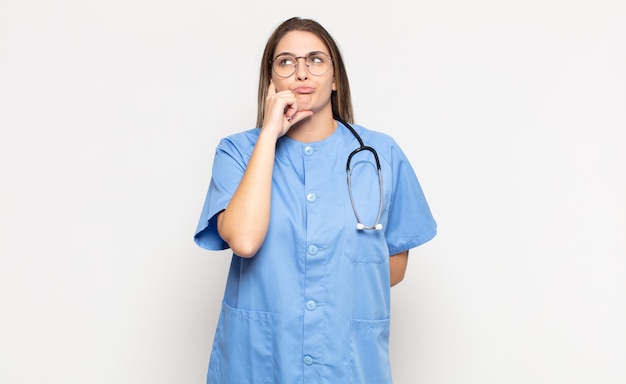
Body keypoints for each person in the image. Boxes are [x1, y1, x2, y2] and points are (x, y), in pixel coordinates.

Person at [194, 16, 437, 383]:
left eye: (316, 60)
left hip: (348, 361)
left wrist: (322, 297)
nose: (302, 73)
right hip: (258, 361)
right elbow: (244, 240)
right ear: (271, 80)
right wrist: (270, 133)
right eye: (287, 62)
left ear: (336, 79)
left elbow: (394, 265)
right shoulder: (238, 152)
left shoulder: (380, 155)